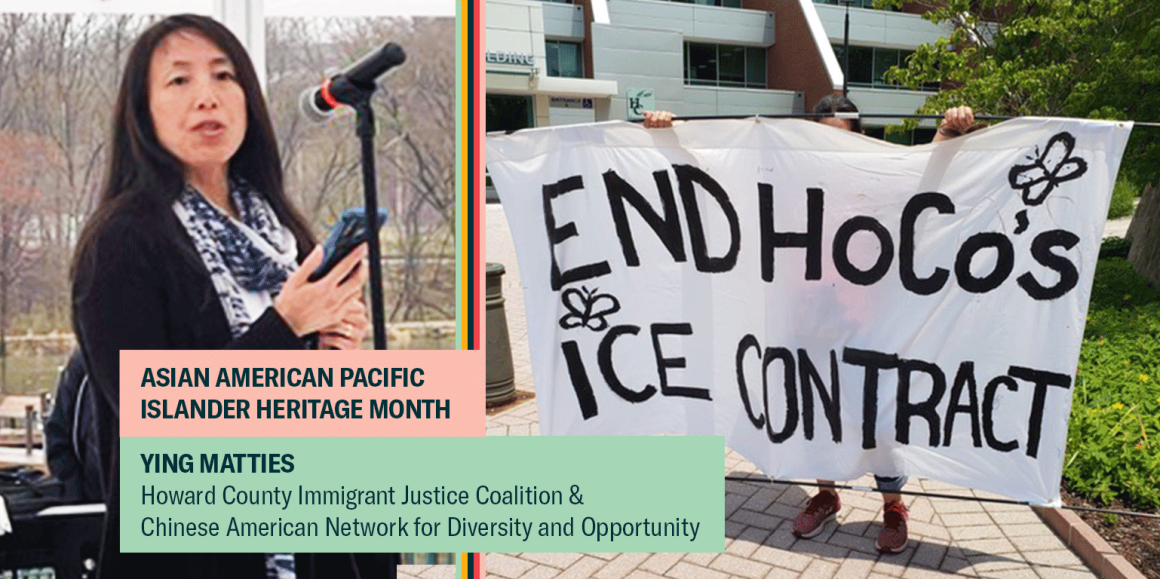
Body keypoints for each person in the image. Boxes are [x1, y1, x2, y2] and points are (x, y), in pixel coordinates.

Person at [70, 14, 371, 578]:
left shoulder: (284, 234)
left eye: (223, 75)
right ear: (142, 111)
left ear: (247, 99)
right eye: (179, 81)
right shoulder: (119, 242)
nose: (206, 96)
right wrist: (285, 325)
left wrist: (335, 349)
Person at [642, 97, 977, 554]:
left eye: (844, 134)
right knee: (813, 414)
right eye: (825, 135)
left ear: (859, 137)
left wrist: (951, 130)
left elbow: (926, 176)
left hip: (866, 329)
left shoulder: (877, 178)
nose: (835, 145)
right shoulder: (788, 180)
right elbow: (719, 179)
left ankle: (893, 504)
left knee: (876, 419)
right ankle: (826, 494)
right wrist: (672, 135)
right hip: (803, 326)